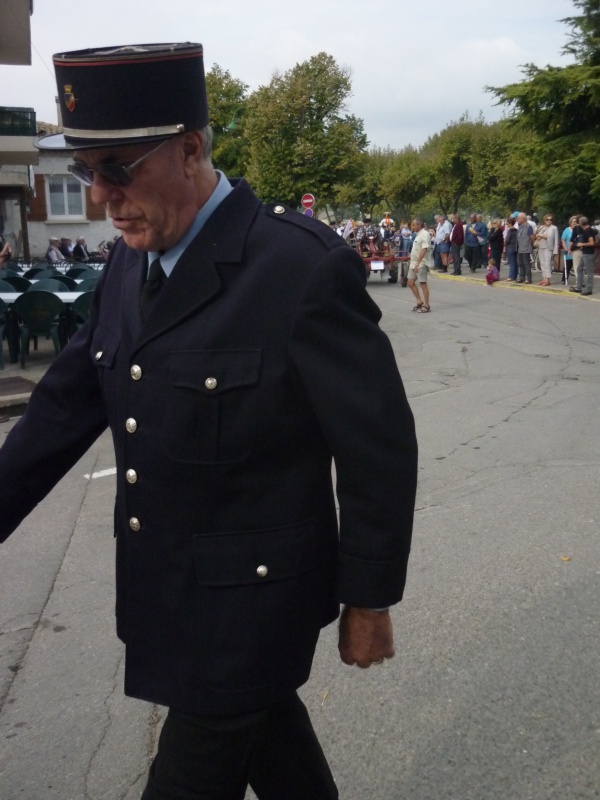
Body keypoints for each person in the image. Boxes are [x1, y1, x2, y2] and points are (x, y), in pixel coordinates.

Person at [0, 43, 418, 800]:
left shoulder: (297, 269)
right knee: (280, 759)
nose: (100, 197)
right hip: (169, 594)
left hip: (254, 611)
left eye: (118, 170)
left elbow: (376, 448)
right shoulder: (132, 261)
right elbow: (64, 405)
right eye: (87, 174)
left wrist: (369, 598)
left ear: (190, 149)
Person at [407, 217, 433, 312]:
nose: (413, 227)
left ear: (419, 225)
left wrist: (418, 263)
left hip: (421, 263)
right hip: (414, 262)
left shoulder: (424, 234)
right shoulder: (417, 235)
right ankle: (419, 302)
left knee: (423, 283)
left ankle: (426, 305)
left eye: (414, 225)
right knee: (410, 282)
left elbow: (424, 249)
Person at [569, 216, 596, 295]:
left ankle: (589, 289)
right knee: (579, 269)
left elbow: (592, 243)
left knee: (589, 271)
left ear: (581, 223)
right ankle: (579, 286)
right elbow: (595, 240)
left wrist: (582, 244)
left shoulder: (588, 231)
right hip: (585, 252)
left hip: (588, 253)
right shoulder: (587, 230)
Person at [534, 214, 559, 286]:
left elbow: (551, 237)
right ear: (544, 220)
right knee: (542, 263)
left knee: (547, 263)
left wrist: (555, 250)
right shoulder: (542, 227)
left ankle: (547, 279)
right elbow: (536, 234)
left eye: (551, 219)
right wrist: (538, 236)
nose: (549, 221)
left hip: (548, 247)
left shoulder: (554, 228)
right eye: (547, 219)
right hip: (541, 246)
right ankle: (544, 278)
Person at [516, 212, 535, 284]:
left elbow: (532, 237)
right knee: (520, 264)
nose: (517, 219)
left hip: (526, 248)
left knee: (526, 264)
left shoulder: (528, 226)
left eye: (518, 218)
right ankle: (521, 277)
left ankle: (528, 278)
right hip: (519, 248)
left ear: (523, 219)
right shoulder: (520, 226)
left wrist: (531, 244)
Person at [561, 215, 578, 284]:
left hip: (576, 250)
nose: (574, 223)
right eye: (573, 221)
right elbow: (563, 240)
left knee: (578, 267)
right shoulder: (567, 230)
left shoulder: (579, 230)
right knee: (567, 266)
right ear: (570, 222)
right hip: (569, 251)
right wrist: (565, 248)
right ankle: (564, 279)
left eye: (576, 222)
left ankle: (579, 281)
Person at [504, 217, 518, 281]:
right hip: (516, 247)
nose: (507, 225)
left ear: (510, 223)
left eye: (507, 223)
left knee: (511, 263)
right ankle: (515, 276)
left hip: (510, 247)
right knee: (515, 262)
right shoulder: (517, 230)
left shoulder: (510, 231)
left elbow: (507, 240)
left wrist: (504, 241)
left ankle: (511, 276)